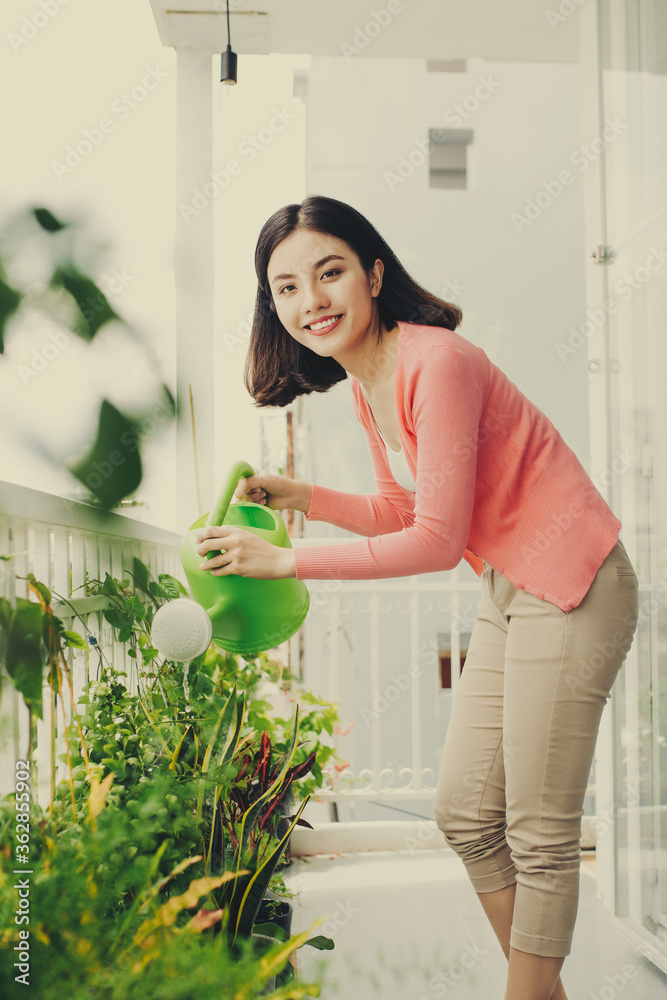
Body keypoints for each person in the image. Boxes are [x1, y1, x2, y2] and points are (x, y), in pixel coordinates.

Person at [196, 194, 639, 1000]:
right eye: (286, 288)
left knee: (537, 836)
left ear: (372, 273)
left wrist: (284, 562)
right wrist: (304, 496)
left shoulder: (436, 362)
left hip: (573, 585)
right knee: (465, 813)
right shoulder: (370, 380)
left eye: (328, 273)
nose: (310, 301)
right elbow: (407, 510)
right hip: (512, 587)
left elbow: (434, 542)